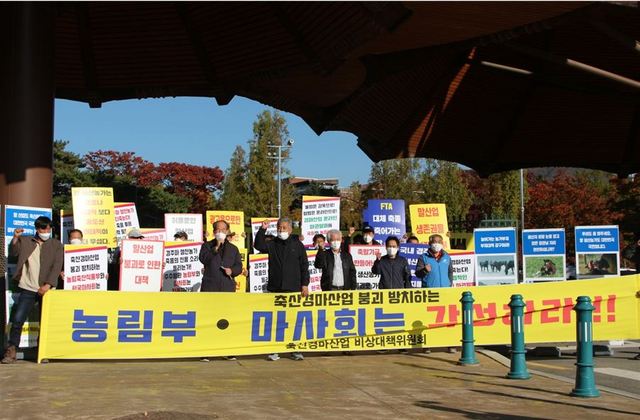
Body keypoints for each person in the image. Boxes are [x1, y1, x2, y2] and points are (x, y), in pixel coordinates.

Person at [2, 216, 63, 364]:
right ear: (37, 228)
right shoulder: (27, 241)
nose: (46, 231)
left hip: (47, 289)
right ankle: (11, 350)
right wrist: (15, 238)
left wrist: (48, 285)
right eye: (43, 228)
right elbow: (14, 253)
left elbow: (57, 266)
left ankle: (43, 351)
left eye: (49, 228)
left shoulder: (56, 244)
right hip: (27, 286)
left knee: (46, 321)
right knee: (17, 320)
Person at [255, 217, 310, 361]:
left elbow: (304, 266)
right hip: (276, 288)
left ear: (290, 229)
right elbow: (258, 245)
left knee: (294, 320)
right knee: (276, 321)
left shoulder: (297, 245)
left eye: (284, 228)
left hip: (293, 289)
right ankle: (275, 350)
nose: (281, 230)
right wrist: (262, 229)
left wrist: (305, 284)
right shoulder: (272, 243)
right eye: (279, 227)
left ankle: (295, 349)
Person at [415, 234, 456, 354]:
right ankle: (428, 345)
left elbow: (450, 272)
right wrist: (424, 270)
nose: (436, 244)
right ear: (429, 243)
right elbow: (418, 274)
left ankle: (450, 344)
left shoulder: (447, 257)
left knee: (447, 320)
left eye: (439, 241)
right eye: (434, 242)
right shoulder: (423, 257)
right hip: (430, 293)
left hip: (445, 293)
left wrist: (449, 284)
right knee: (429, 320)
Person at [199, 220, 243, 292]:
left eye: (223, 230)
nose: (220, 232)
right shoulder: (207, 245)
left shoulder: (233, 248)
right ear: (214, 231)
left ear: (227, 231)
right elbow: (203, 259)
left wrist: (232, 271)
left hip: (227, 286)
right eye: (218, 229)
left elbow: (239, 266)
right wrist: (215, 248)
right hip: (210, 287)